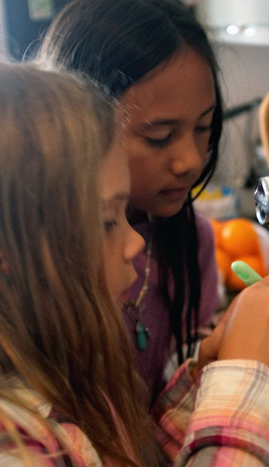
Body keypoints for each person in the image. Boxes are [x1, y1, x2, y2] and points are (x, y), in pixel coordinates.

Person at [0, 59, 269, 465]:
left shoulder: (40, 375)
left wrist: (207, 384)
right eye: (108, 220)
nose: (133, 244)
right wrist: (247, 382)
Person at [37, 0, 225, 400]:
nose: (190, 161)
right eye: (159, 137)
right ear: (77, 124)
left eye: (204, 127)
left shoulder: (193, 244)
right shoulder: (40, 260)